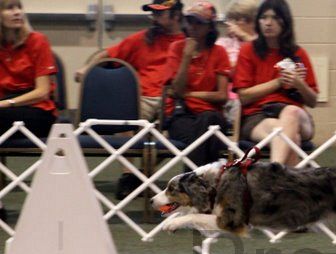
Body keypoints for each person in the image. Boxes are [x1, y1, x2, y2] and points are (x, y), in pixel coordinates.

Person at [75, 0, 185, 200]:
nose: (154, 17)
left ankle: (141, 174)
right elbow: (107, 54)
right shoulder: (142, 39)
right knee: (123, 116)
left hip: (172, 98)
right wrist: (86, 68)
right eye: (153, 13)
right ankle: (128, 173)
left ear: (176, 15)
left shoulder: (187, 41)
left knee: (172, 133)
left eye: (160, 13)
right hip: (141, 96)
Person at [233, 0, 318, 166]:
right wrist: (279, 82)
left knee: (291, 113)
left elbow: (312, 101)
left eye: (274, 18)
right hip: (258, 116)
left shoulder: (299, 53)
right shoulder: (247, 51)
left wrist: (299, 83)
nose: (268, 23)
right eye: (263, 17)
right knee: (290, 136)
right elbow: (244, 97)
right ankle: (288, 186)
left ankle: (273, 172)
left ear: (285, 22)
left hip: (298, 116)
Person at [0, 0, 57, 221]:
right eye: (9, 8)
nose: (16, 12)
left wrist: (7, 104)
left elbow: (42, 91)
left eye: (18, 7)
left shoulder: (38, 41)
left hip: (37, 110)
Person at [164, 1, 230, 168]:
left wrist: (189, 94)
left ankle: (191, 182)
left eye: (199, 23)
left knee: (209, 120)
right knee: (208, 138)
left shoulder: (219, 52)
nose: (193, 26)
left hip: (211, 115)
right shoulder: (176, 48)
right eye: (190, 21)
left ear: (209, 27)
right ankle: (205, 182)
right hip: (182, 115)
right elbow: (176, 90)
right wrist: (186, 57)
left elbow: (222, 96)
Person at [216, 0, 259, 67]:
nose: (231, 24)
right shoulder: (223, 42)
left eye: (237, 20)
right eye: (230, 19)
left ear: (252, 21)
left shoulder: (261, 39)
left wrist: (243, 35)